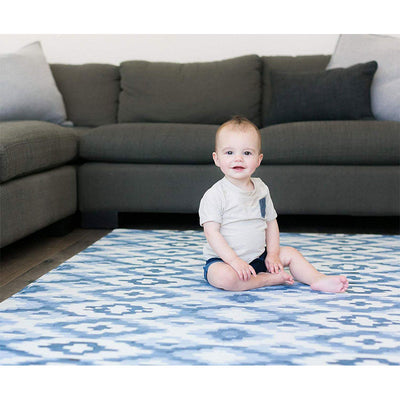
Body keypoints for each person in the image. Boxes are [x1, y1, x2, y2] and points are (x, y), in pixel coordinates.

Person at [199, 115, 349, 293]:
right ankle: (266, 280)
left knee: (291, 253)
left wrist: (272, 254)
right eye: (229, 153)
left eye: (247, 153)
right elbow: (212, 233)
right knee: (225, 278)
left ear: (258, 160)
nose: (238, 159)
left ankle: (318, 279)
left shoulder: (261, 189)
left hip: (259, 257)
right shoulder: (215, 195)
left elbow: (270, 223)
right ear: (216, 159)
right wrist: (234, 261)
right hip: (224, 262)